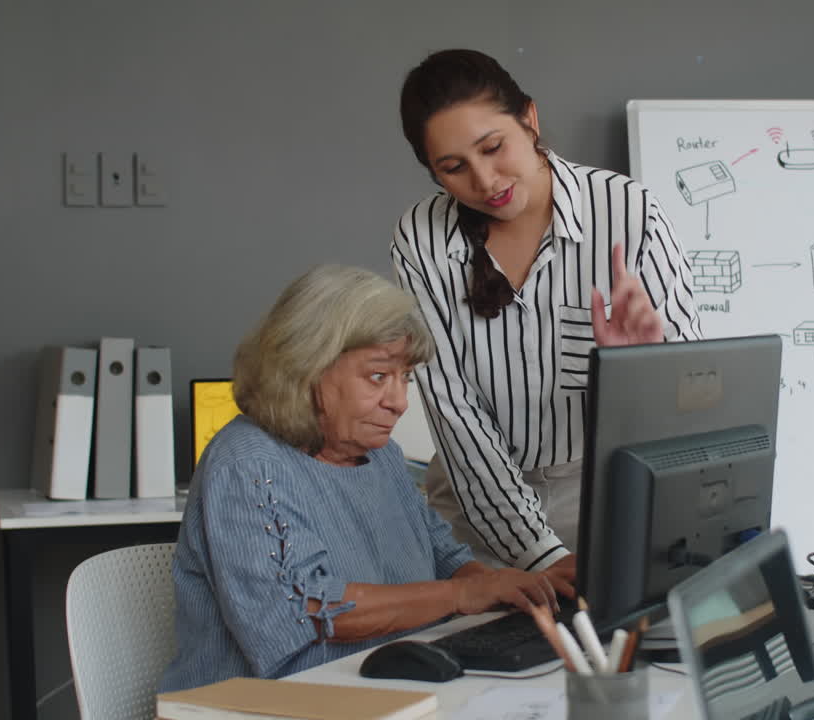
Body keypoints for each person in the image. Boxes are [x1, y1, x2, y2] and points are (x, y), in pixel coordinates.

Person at [161, 264, 562, 692]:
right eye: (378, 377)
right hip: (263, 704)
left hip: (379, 685)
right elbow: (302, 609)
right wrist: (462, 596)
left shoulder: (381, 455)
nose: (400, 402)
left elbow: (443, 555)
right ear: (306, 366)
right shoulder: (247, 464)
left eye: (405, 378)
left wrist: (507, 587)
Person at [391, 49, 702, 580]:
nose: (485, 181)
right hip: (474, 508)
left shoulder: (630, 212)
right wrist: (540, 554)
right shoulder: (422, 238)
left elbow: (693, 402)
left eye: (493, 147)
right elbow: (453, 410)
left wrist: (644, 369)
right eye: (453, 168)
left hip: (604, 497)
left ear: (529, 119)